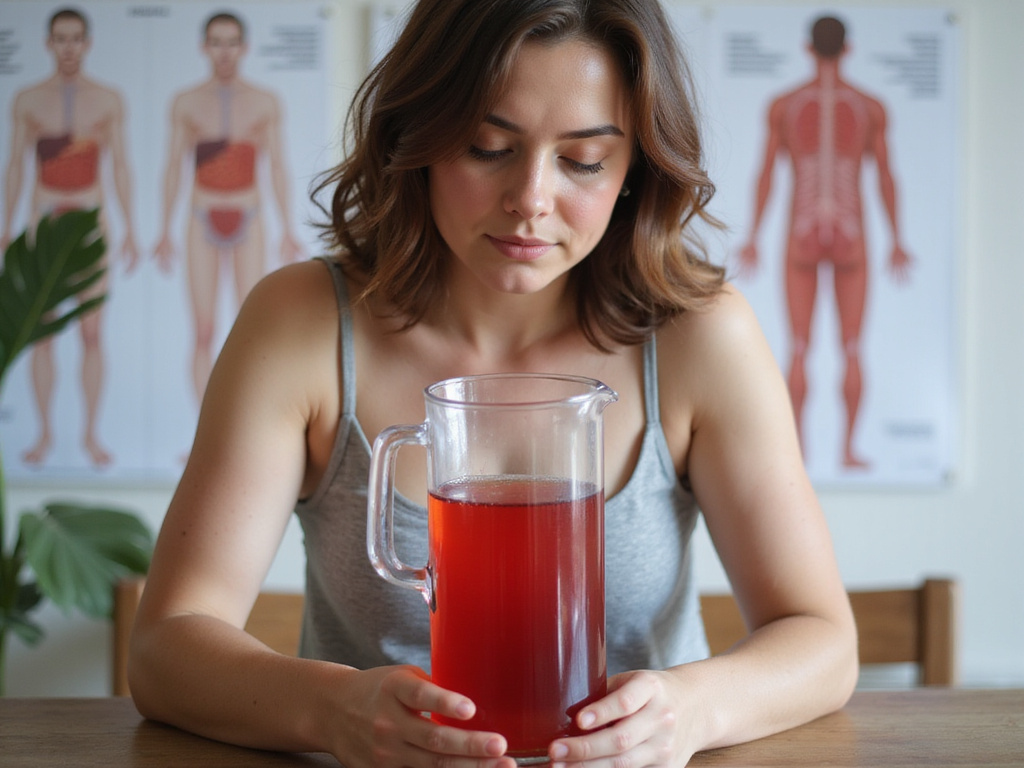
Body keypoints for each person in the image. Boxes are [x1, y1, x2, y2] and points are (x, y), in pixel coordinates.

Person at [129, 2, 858, 766]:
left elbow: (821, 640)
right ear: (417, 139)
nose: (531, 199)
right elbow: (164, 648)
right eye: (488, 147)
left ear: (635, 169)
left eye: (583, 160)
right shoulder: (302, 324)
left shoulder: (698, 335)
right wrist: (335, 711)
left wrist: (689, 711)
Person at [738, 15, 913, 470]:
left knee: (799, 346)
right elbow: (886, 178)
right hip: (853, 236)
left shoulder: (785, 105)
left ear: (807, 48)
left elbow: (766, 176)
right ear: (848, 49)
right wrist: (897, 238)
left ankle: (802, 450)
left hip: (800, 233)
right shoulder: (870, 106)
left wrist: (754, 237)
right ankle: (846, 451)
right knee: (852, 347)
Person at [1, 6, 139, 467]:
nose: (69, 47)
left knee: (92, 333)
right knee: (40, 333)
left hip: (90, 218)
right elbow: (16, 165)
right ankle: (42, 435)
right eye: (61, 38)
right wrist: (6, 227)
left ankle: (90, 435)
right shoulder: (26, 98)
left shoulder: (108, 99)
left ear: (87, 42)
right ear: (48, 43)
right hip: (44, 215)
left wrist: (133, 229)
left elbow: (120, 164)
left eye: (76, 37)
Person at [153, 11, 303, 411]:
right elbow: (173, 166)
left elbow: (277, 166)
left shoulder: (264, 102)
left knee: (246, 327)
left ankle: (238, 427)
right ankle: (203, 430)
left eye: (231, 42)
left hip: (249, 216)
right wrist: (163, 229)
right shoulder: (186, 102)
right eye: (216, 42)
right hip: (201, 216)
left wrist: (288, 228)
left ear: (244, 47)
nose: (224, 52)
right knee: (203, 329)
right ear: (205, 47)